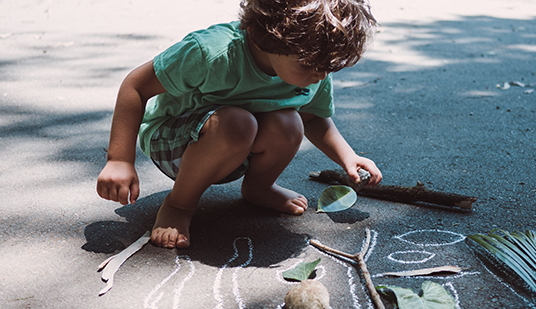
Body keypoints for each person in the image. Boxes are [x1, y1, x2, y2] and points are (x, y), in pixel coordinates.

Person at [96, 0, 382, 249]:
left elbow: (313, 118)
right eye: (311, 66)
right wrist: (120, 159)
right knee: (237, 123)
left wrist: (348, 157)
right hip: (173, 143)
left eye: (328, 68)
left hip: (235, 147)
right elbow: (136, 86)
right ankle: (179, 204)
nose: (321, 76)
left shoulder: (312, 62)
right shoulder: (212, 52)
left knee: (289, 122)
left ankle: (258, 189)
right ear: (273, 37)